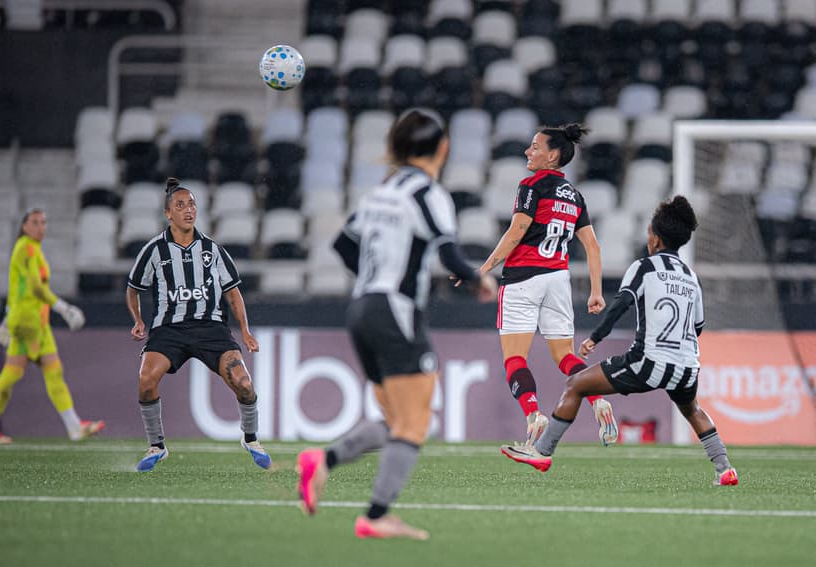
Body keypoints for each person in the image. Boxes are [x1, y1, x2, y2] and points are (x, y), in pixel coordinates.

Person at [295, 109, 498, 540]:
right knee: (415, 422)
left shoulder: (380, 192)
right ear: (442, 148)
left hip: (362, 308)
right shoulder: (429, 193)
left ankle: (323, 461)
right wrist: (479, 280)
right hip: (395, 311)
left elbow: (343, 244)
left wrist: (376, 280)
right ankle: (375, 515)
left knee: (397, 419)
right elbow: (449, 255)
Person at [508, 196, 738, 486]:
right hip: (687, 366)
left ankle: (542, 452)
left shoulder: (644, 267)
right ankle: (725, 469)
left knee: (576, 385)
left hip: (648, 360)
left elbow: (621, 304)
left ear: (655, 239)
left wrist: (595, 337)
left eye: (649, 233)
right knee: (692, 409)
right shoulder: (692, 277)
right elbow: (698, 326)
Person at [474, 124, 617, 462]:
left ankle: (533, 416)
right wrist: (596, 292)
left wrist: (481, 270)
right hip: (557, 280)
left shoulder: (531, 185)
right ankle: (598, 400)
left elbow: (517, 231)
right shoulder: (575, 195)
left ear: (552, 155)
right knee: (565, 356)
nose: (528, 151)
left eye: (535, 147)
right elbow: (593, 246)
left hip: (523, 278)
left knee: (515, 359)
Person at [126, 177, 270, 472]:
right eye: (180, 205)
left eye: (191, 204)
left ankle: (251, 439)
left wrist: (245, 331)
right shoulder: (154, 251)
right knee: (146, 380)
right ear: (168, 213)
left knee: (244, 384)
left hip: (210, 328)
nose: (188, 210)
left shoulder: (212, 250)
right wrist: (138, 320)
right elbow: (133, 288)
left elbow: (233, 292)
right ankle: (157, 445)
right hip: (169, 329)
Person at [0, 208, 104, 443]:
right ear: (24, 226)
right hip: (25, 322)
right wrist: (64, 308)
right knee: (12, 373)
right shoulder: (25, 247)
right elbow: (35, 288)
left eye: (43, 222)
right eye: (34, 222)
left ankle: (74, 427)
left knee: (54, 371)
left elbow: (20, 288)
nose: (40, 227)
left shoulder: (34, 249)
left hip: (39, 323)